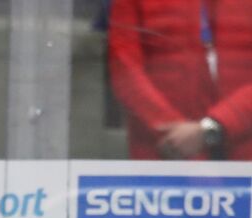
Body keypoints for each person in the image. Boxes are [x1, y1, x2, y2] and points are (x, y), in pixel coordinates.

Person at [107, 0, 252, 160]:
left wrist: (214, 126)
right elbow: (125, 68)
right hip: (165, 149)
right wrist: (174, 133)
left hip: (242, 146)